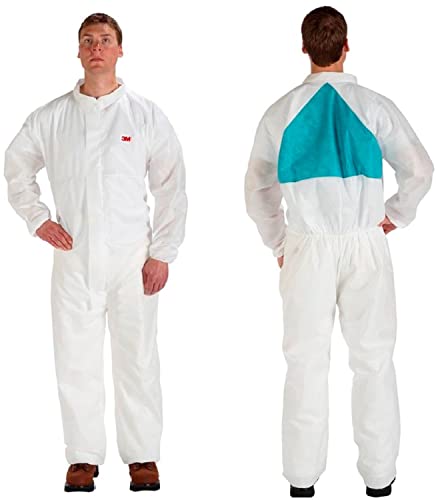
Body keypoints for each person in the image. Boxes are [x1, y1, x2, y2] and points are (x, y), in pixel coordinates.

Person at [245, 6, 432, 498]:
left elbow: (257, 188)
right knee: (374, 360)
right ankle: (379, 477)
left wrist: (279, 242)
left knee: (305, 363)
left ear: (303, 48)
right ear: (347, 46)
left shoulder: (281, 112)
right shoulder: (374, 106)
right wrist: (394, 215)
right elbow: (419, 169)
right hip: (364, 242)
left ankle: (302, 479)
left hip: (306, 245)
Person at [4, 12, 187, 493]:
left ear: (120, 49)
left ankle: (142, 456)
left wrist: (162, 252)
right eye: (88, 40)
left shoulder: (144, 115)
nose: (96, 48)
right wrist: (38, 218)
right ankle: (82, 458)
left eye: (105, 40)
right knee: (75, 359)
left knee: (138, 359)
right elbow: (16, 165)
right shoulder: (51, 118)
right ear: (78, 51)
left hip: (133, 260)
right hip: (75, 259)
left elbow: (171, 185)